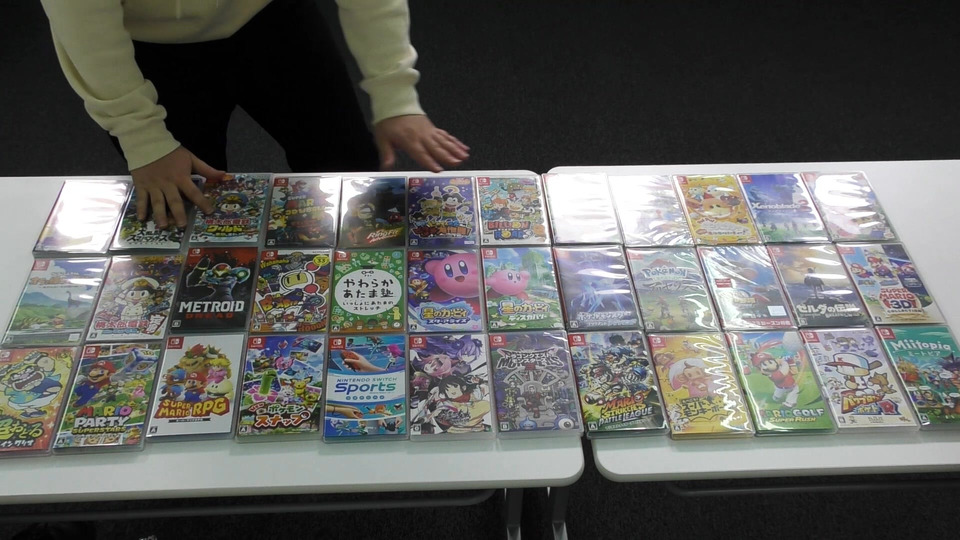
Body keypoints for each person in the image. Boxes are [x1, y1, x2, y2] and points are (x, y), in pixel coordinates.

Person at [39, 0, 470, 229]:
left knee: (346, 161)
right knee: (186, 202)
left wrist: (395, 94)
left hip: (270, 18)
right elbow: (83, 24)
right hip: (148, 47)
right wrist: (141, 137)